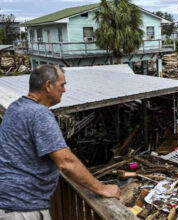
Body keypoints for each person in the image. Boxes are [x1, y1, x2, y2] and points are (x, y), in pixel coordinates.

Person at [0, 65, 121, 220]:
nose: (64, 90)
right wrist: (101, 188)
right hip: (21, 208)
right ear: (48, 86)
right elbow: (66, 162)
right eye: (62, 85)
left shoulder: (15, 107)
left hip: (10, 202)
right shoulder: (39, 114)